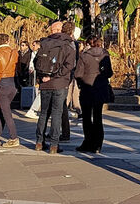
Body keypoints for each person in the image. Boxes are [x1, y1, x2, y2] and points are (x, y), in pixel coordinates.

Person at [34, 21, 76, 154]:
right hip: (59, 83)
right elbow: (69, 65)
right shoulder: (68, 44)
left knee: (44, 113)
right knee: (57, 114)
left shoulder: (44, 43)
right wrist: (54, 76)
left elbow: (36, 62)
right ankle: (54, 145)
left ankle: (39, 142)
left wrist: (44, 76)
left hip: (44, 83)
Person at [74, 36, 112, 153]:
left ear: (88, 44)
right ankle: (98, 144)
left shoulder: (84, 56)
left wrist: (81, 83)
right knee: (98, 117)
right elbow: (109, 73)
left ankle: (88, 142)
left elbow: (78, 74)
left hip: (87, 88)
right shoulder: (105, 55)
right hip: (100, 89)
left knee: (86, 117)